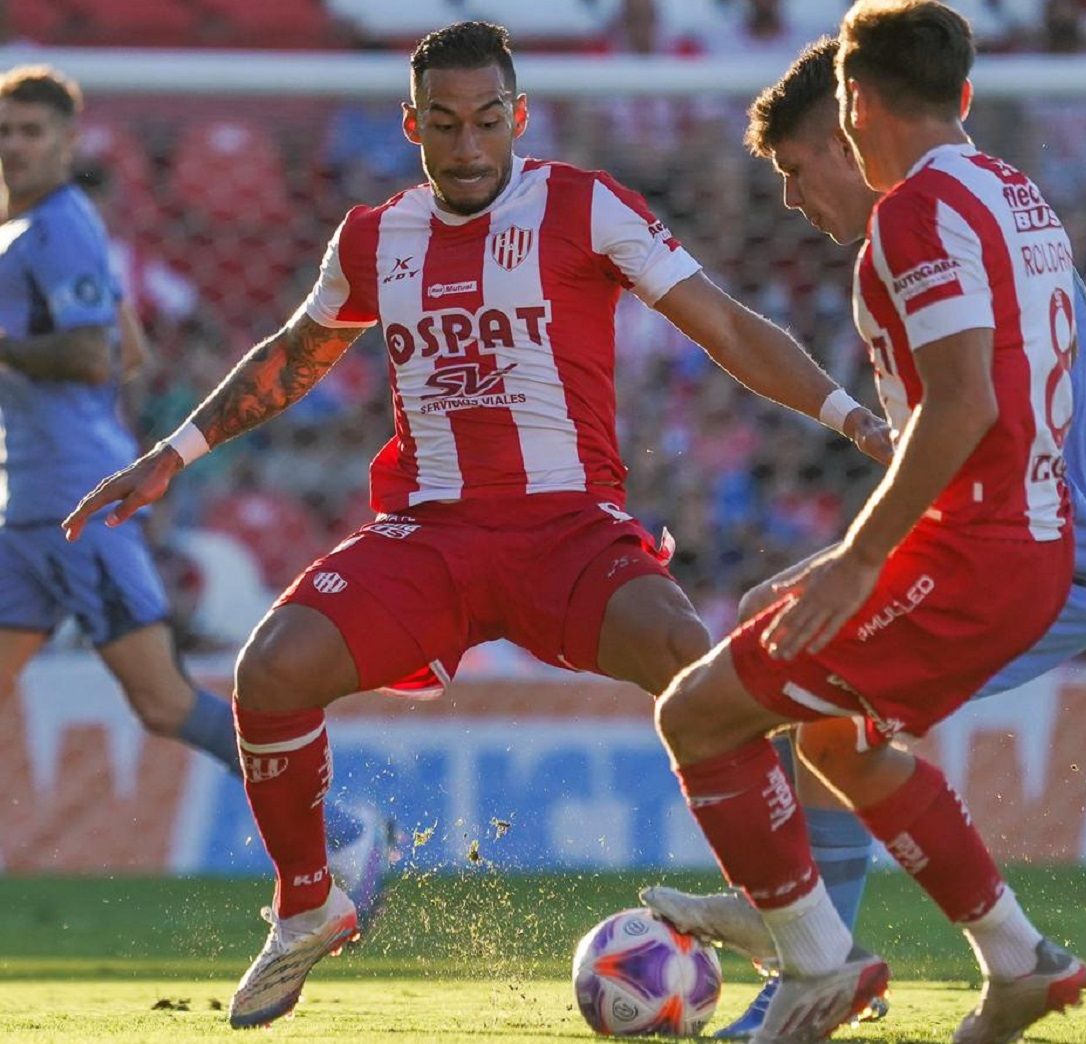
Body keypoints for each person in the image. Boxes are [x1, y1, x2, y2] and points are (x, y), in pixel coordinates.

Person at [61, 22, 892, 1029]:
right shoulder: (374, 237)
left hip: (571, 535)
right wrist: (172, 455)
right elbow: (294, 354)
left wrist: (850, 417)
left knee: (695, 664)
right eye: (444, 124)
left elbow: (721, 323)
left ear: (518, 119)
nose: (467, 146)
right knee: (269, 671)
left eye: (487, 121)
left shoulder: (584, 207)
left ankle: (798, 939)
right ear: (412, 125)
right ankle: (308, 905)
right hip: (434, 538)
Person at [643, 31, 1086, 1039]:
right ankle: (1007, 956)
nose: (790, 199)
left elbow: (962, 408)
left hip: (1007, 548)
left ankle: (812, 953)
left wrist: (865, 553)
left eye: (793, 169)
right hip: (1020, 535)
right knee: (820, 713)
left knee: (703, 714)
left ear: (853, 113)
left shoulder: (918, 214)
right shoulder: (1012, 192)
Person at [0, 66, 389, 920]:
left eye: (33, 132)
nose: (16, 146)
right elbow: (128, 347)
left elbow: (98, 357)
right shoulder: (49, 231)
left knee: (164, 700)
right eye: (6, 132)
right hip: (32, 501)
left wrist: (54, 397)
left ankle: (345, 831)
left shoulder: (54, 228)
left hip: (73, 505)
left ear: (67, 144)